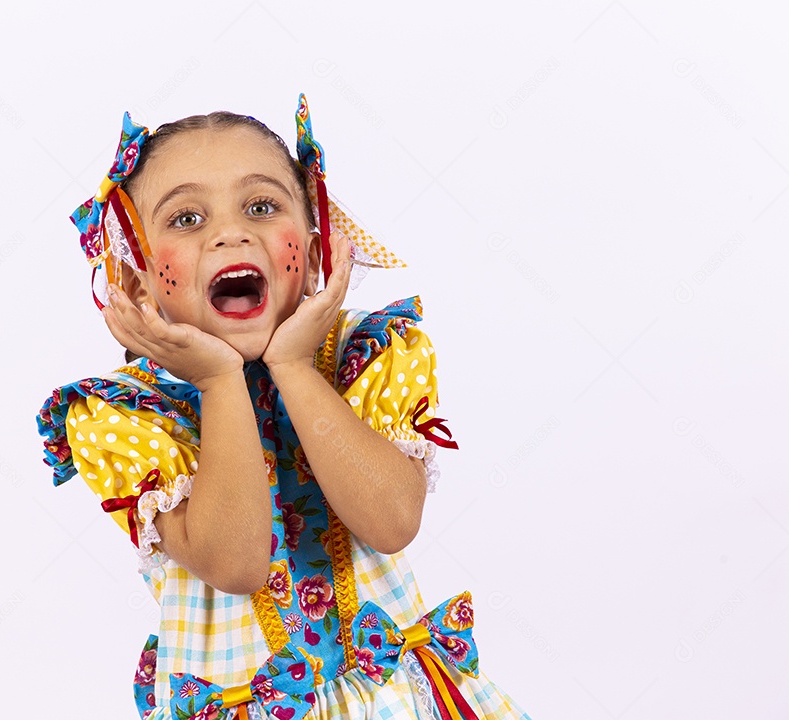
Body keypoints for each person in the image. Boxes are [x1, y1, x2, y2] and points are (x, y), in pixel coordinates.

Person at [37, 94, 532, 719]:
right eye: (187, 219)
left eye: (262, 206)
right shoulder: (125, 414)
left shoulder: (366, 353)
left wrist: (294, 366)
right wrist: (219, 381)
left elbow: (392, 522)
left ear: (317, 247)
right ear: (137, 282)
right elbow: (235, 562)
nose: (231, 232)